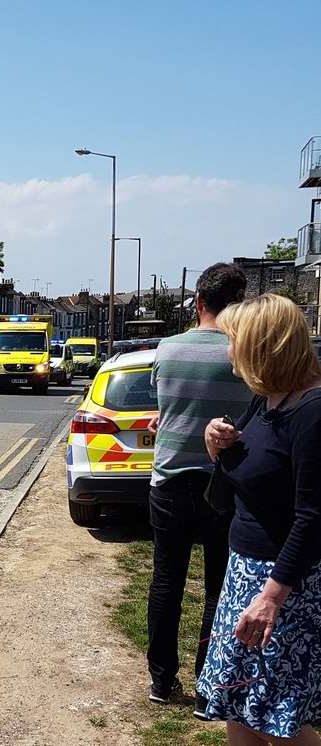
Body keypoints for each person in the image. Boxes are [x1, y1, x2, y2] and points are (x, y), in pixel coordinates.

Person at [198, 294, 321, 746]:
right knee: (239, 703)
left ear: (261, 345)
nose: (228, 351)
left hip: (283, 587)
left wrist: (271, 598)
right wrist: (216, 442)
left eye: (233, 341)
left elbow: (312, 518)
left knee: (280, 717)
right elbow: (245, 469)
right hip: (245, 572)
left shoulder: (311, 412)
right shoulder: (269, 398)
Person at [146, 262, 252, 711]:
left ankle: (161, 679)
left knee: (166, 579)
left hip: (169, 479)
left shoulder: (167, 348)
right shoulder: (245, 353)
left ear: (199, 302)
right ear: (239, 304)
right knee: (217, 586)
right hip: (223, 483)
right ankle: (209, 683)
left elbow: (167, 404)